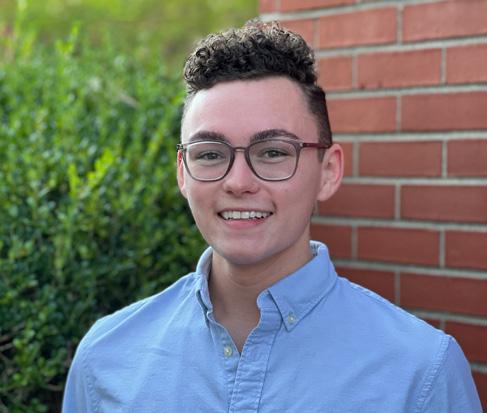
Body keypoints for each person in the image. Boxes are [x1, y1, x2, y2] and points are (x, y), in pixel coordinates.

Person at [63, 21, 482, 412]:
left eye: (274, 152)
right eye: (210, 154)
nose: (238, 181)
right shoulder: (105, 358)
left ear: (328, 172)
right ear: (182, 174)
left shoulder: (421, 375)